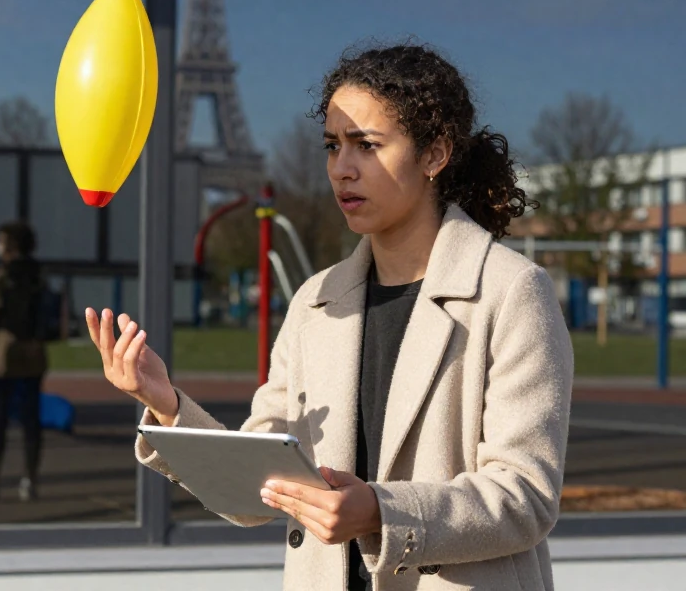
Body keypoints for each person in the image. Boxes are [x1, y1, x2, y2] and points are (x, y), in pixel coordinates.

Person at [89, 42, 574, 590]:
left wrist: (381, 511)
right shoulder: (314, 302)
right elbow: (260, 491)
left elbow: (526, 496)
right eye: (332, 145)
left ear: (435, 155)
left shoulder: (511, 291)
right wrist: (167, 404)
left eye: (366, 145)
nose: (342, 169)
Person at [0, 220, 49, 502]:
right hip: (35, 353)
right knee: (31, 420)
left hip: (6, 353)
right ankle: (29, 480)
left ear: (11, 245)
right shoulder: (39, 275)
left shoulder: (3, 275)